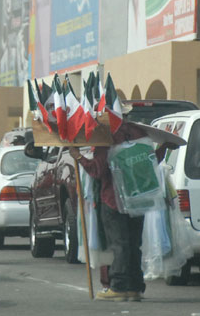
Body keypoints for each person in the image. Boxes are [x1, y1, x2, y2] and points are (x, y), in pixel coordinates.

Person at [69, 122, 174, 302]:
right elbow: (151, 161)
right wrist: (164, 147)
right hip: (138, 197)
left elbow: (97, 169)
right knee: (134, 244)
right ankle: (135, 287)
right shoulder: (140, 133)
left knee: (120, 244)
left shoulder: (105, 137)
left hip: (113, 199)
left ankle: (118, 286)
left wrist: (78, 156)